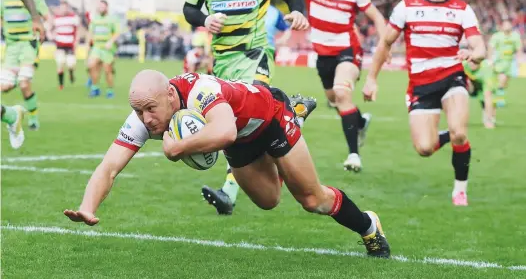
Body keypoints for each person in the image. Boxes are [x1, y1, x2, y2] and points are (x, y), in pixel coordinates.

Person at [64, 70, 391, 258]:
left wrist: (177, 146)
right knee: (268, 201)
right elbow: (108, 167)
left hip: (270, 119)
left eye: (150, 109)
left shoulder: (201, 91)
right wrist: (87, 206)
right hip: (239, 140)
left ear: (169, 96)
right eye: (138, 112)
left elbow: (224, 130)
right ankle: (289, 137)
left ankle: (368, 226)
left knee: (310, 200)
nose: (146, 119)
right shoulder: (144, 117)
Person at [183, 0, 310, 215]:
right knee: (241, 128)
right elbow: (189, 8)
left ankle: (228, 192)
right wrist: (205, 19)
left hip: (256, 53)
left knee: (249, 118)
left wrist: (297, 13)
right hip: (224, 61)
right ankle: (294, 113)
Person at [362, 0, 486, 206]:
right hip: (420, 85)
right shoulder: (407, 6)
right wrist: (371, 79)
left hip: (453, 77)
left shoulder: (462, 9)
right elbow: (386, 42)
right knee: (425, 148)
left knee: (460, 133)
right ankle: (447, 133)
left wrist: (474, 54)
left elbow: (480, 47)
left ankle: (460, 189)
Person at [281, 0, 386, 172]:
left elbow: (377, 18)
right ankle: (359, 122)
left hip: (348, 52)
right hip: (323, 55)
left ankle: (353, 155)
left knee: (341, 92)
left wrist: (386, 42)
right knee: (334, 98)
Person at [1, 0, 45, 148]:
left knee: (24, 81)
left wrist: (36, 17)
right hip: (11, 46)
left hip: (27, 44)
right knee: (6, 85)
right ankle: (11, 115)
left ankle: (31, 117)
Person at [86, 0, 120, 98]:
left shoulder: (112, 19)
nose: (101, 8)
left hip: (107, 48)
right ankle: (95, 88)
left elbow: (117, 32)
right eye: (99, 7)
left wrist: (110, 42)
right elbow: (90, 32)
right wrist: (88, 43)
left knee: (107, 70)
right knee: (91, 65)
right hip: (97, 46)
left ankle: (110, 90)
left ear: (106, 8)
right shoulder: (95, 19)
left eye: (103, 7)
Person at [488, 19, 523, 107]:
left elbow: (519, 49)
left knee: (505, 82)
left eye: (508, 24)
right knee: (502, 79)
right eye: (505, 25)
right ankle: (500, 100)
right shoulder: (497, 36)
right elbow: (491, 47)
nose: (507, 26)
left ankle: (497, 93)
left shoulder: (515, 36)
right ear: (502, 26)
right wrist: (490, 59)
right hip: (499, 61)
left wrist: (519, 59)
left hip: (510, 62)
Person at [50, 0, 81, 90]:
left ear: (68, 8)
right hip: (59, 45)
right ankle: (61, 85)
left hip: (70, 45)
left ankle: (71, 73)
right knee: (60, 64)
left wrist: (77, 41)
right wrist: (51, 34)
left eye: (65, 7)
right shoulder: (56, 18)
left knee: (71, 65)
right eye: (62, 7)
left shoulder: (73, 17)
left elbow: (78, 30)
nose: (64, 9)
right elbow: (51, 28)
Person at [463, 59, 498, 129]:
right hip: (470, 83)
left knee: (486, 101)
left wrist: (489, 121)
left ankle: (489, 119)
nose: (472, 64)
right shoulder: (463, 65)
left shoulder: (487, 71)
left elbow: (488, 96)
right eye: (470, 61)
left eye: (475, 62)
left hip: (483, 86)